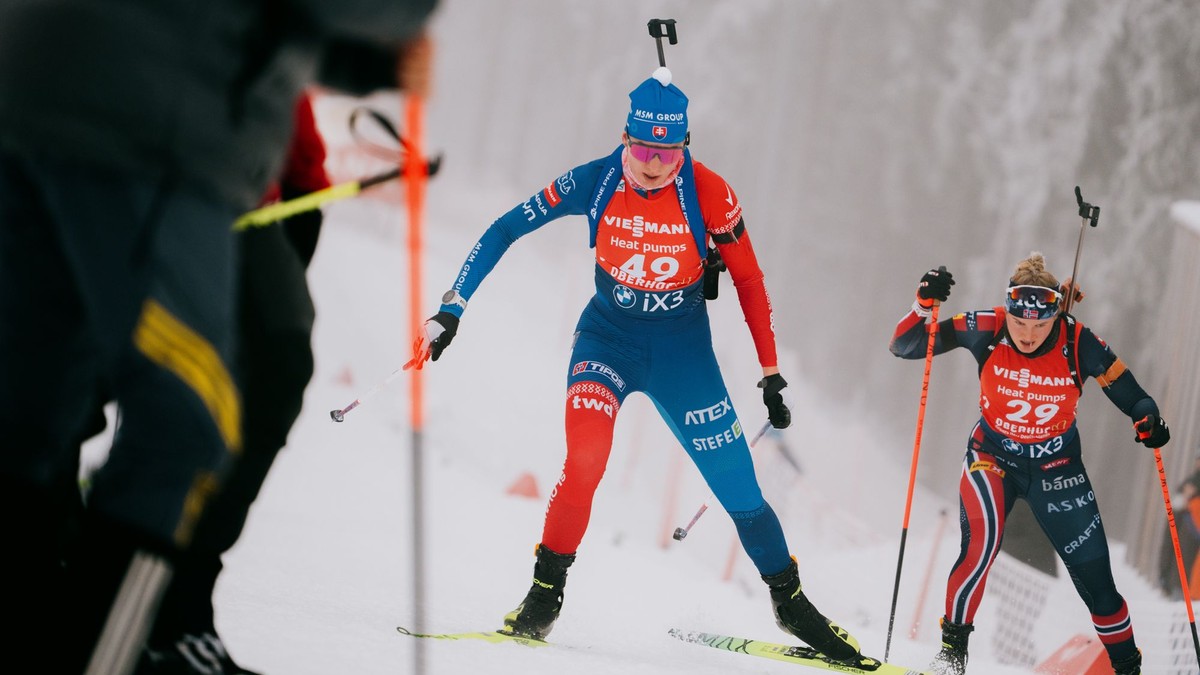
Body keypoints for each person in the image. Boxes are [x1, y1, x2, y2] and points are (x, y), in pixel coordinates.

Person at [0, 2, 435, 672]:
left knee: (31, 415)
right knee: (187, 423)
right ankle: (136, 629)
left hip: (71, 89)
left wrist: (360, 61)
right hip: (145, 121)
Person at [404, 66, 863, 664]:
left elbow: (749, 279)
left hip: (681, 350)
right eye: (643, 146)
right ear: (626, 139)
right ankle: (545, 593)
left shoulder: (711, 192)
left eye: (667, 150)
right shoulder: (595, 181)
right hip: (608, 342)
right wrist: (453, 306)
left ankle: (790, 601)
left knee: (739, 487)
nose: (653, 161)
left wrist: (770, 370)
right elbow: (506, 226)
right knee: (587, 458)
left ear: (684, 148)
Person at [889, 253, 1170, 675]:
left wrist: (1147, 418)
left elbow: (1132, 394)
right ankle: (951, 655)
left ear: (1057, 314)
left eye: (1040, 325)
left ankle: (1128, 668)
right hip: (992, 456)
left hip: (1058, 470)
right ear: (1009, 311)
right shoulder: (987, 325)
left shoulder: (1078, 340)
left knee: (1099, 587)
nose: (1028, 333)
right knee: (979, 548)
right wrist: (922, 304)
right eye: (1020, 323)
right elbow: (907, 345)